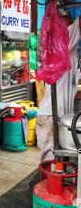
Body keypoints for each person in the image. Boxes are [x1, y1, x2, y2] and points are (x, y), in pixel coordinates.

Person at [36, 16, 81, 162]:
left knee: (59, 159)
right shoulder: (61, 45)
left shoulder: (71, 53)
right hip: (50, 114)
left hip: (59, 115)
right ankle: (49, 183)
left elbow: (77, 81)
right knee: (51, 161)